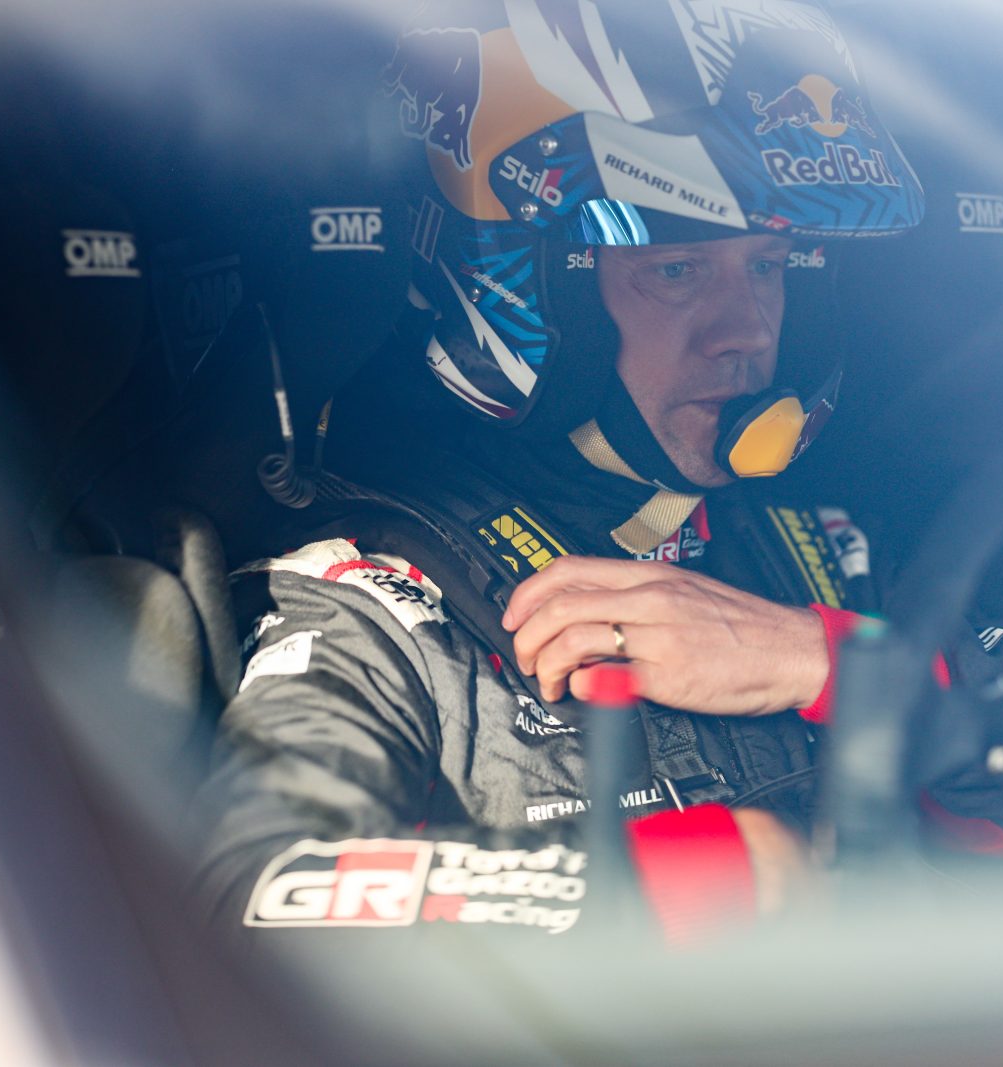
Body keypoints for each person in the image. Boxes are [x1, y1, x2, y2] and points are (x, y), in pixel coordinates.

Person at [192, 0, 928, 944]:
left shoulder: (829, 556)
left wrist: (821, 659)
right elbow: (251, 883)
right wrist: (688, 882)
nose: (746, 332)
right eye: (676, 270)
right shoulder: (378, 603)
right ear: (535, 289)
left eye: (768, 266)